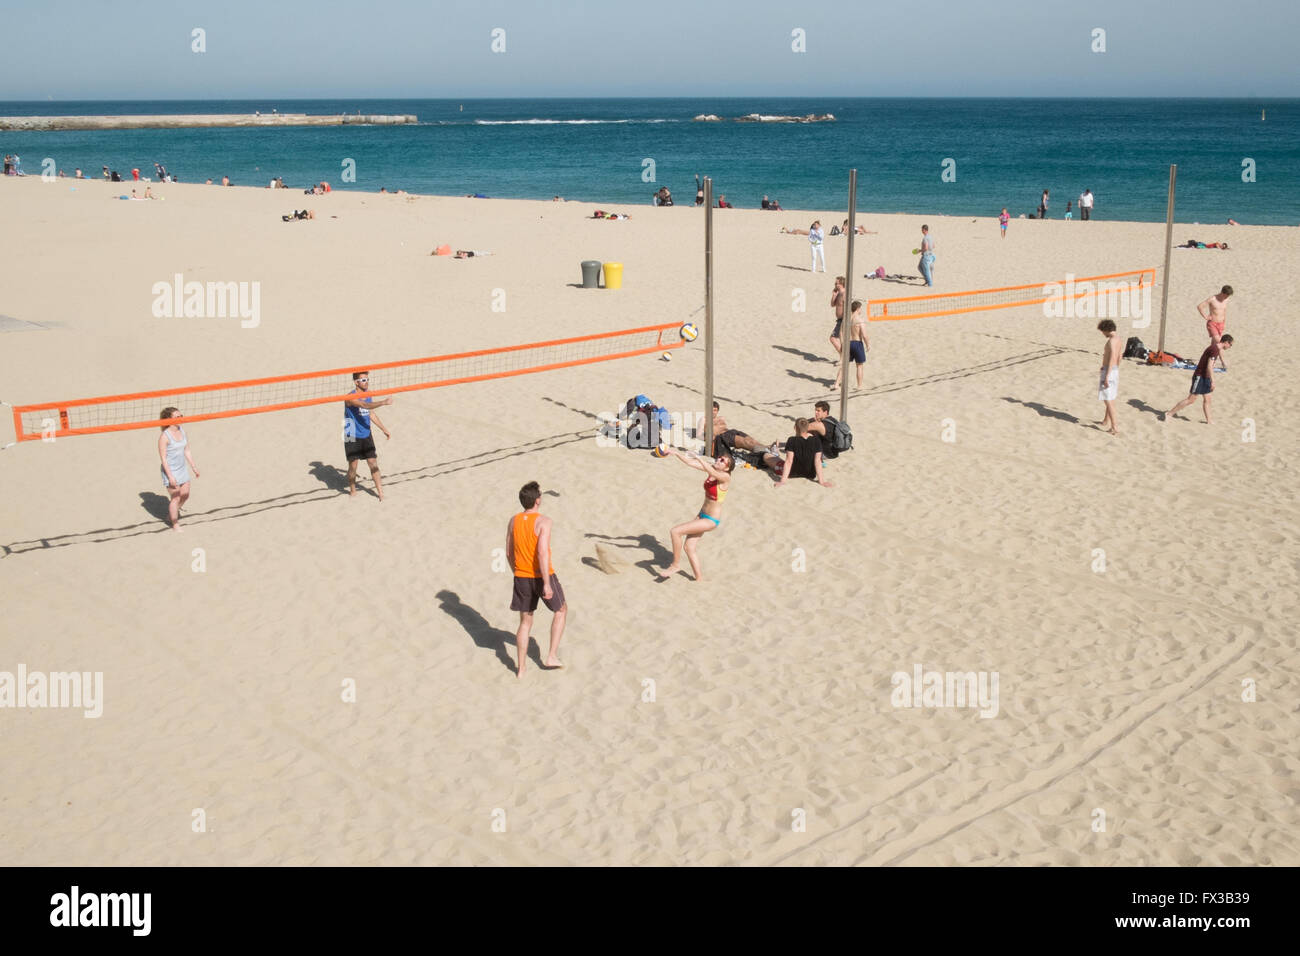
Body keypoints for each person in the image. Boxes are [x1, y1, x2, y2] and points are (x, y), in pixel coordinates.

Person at [506, 480, 566, 677]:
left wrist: (517, 571)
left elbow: (508, 552)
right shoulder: (544, 521)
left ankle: (521, 669)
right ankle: (551, 656)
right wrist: (547, 584)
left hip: (521, 576)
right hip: (542, 575)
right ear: (537, 500)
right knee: (561, 610)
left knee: (525, 622)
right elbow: (542, 553)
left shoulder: (514, 520)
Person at [657, 449, 734, 582]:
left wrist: (698, 458)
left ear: (727, 468)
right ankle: (699, 579)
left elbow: (710, 470)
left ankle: (675, 565)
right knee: (689, 547)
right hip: (702, 515)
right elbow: (689, 463)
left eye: (722, 461)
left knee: (675, 532)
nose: (718, 460)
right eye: (719, 457)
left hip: (711, 520)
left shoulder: (725, 477)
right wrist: (675, 453)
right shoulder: (712, 471)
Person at [343, 371, 392, 499]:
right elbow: (364, 405)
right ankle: (353, 490)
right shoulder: (350, 397)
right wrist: (383, 402)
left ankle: (380, 493)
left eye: (367, 379)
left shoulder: (368, 394)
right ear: (356, 382)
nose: (367, 382)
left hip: (366, 433)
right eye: (363, 380)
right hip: (351, 434)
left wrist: (384, 429)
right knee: (353, 466)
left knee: (373, 462)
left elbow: (370, 413)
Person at [1165, 335, 1234, 424]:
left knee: (1207, 399)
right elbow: (1209, 366)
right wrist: (1213, 380)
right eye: (1230, 345)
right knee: (1191, 400)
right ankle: (1169, 414)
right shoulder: (1214, 350)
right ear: (1226, 342)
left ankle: (1209, 421)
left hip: (1206, 377)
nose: (1230, 347)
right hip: (1200, 376)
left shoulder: (1216, 348)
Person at [157, 407, 199, 532]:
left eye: (181, 416)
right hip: (170, 470)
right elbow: (163, 459)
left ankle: (171, 515)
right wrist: (170, 476)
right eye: (177, 417)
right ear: (169, 420)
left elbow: (187, 450)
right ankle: (175, 524)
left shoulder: (182, 431)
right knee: (175, 498)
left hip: (182, 468)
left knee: (185, 495)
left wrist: (194, 467)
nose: (181, 419)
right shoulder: (164, 437)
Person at [764, 419, 833, 488]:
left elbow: (789, 461)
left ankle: (775, 452)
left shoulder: (792, 440)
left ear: (795, 428)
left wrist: (782, 481)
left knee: (766, 456)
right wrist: (822, 482)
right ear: (807, 428)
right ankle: (775, 451)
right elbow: (818, 461)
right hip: (810, 474)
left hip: (792, 473)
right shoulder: (817, 441)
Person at [834, 301, 869, 389]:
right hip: (857, 343)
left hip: (847, 343)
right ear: (857, 309)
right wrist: (868, 345)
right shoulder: (860, 320)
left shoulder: (846, 319)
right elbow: (864, 335)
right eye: (860, 308)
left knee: (844, 365)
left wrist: (842, 344)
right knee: (859, 365)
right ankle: (859, 386)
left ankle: (836, 384)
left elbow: (841, 333)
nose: (861, 310)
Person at [1097, 319, 1122, 435]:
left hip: (1110, 371)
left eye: (1103, 331)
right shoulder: (1119, 340)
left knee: (1108, 400)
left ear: (1106, 329)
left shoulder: (1112, 341)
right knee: (1110, 396)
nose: (1103, 334)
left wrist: (1107, 375)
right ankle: (1106, 420)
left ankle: (1114, 427)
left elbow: (1112, 358)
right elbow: (1119, 357)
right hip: (1115, 370)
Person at [1198, 285, 1233, 368]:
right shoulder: (1212, 299)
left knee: (1214, 345)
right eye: (1227, 295)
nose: (1227, 297)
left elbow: (1224, 311)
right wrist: (1205, 316)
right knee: (1220, 342)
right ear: (1223, 293)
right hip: (1212, 324)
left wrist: (1224, 322)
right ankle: (1223, 361)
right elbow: (1200, 306)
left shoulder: (1226, 300)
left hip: (1221, 324)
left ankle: (1208, 360)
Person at [829, 275, 846, 357]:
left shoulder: (844, 294)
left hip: (843, 320)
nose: (835, 285)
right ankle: (843, 357)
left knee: (833, 338)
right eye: (835, 283)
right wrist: (834, 295)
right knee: (839, 339)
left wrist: (845, 320)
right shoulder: (839, 293)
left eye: (836, 283)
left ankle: (843, 357)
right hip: (839, 320)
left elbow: (848, 307)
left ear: (841, 284)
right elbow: (832, 304)